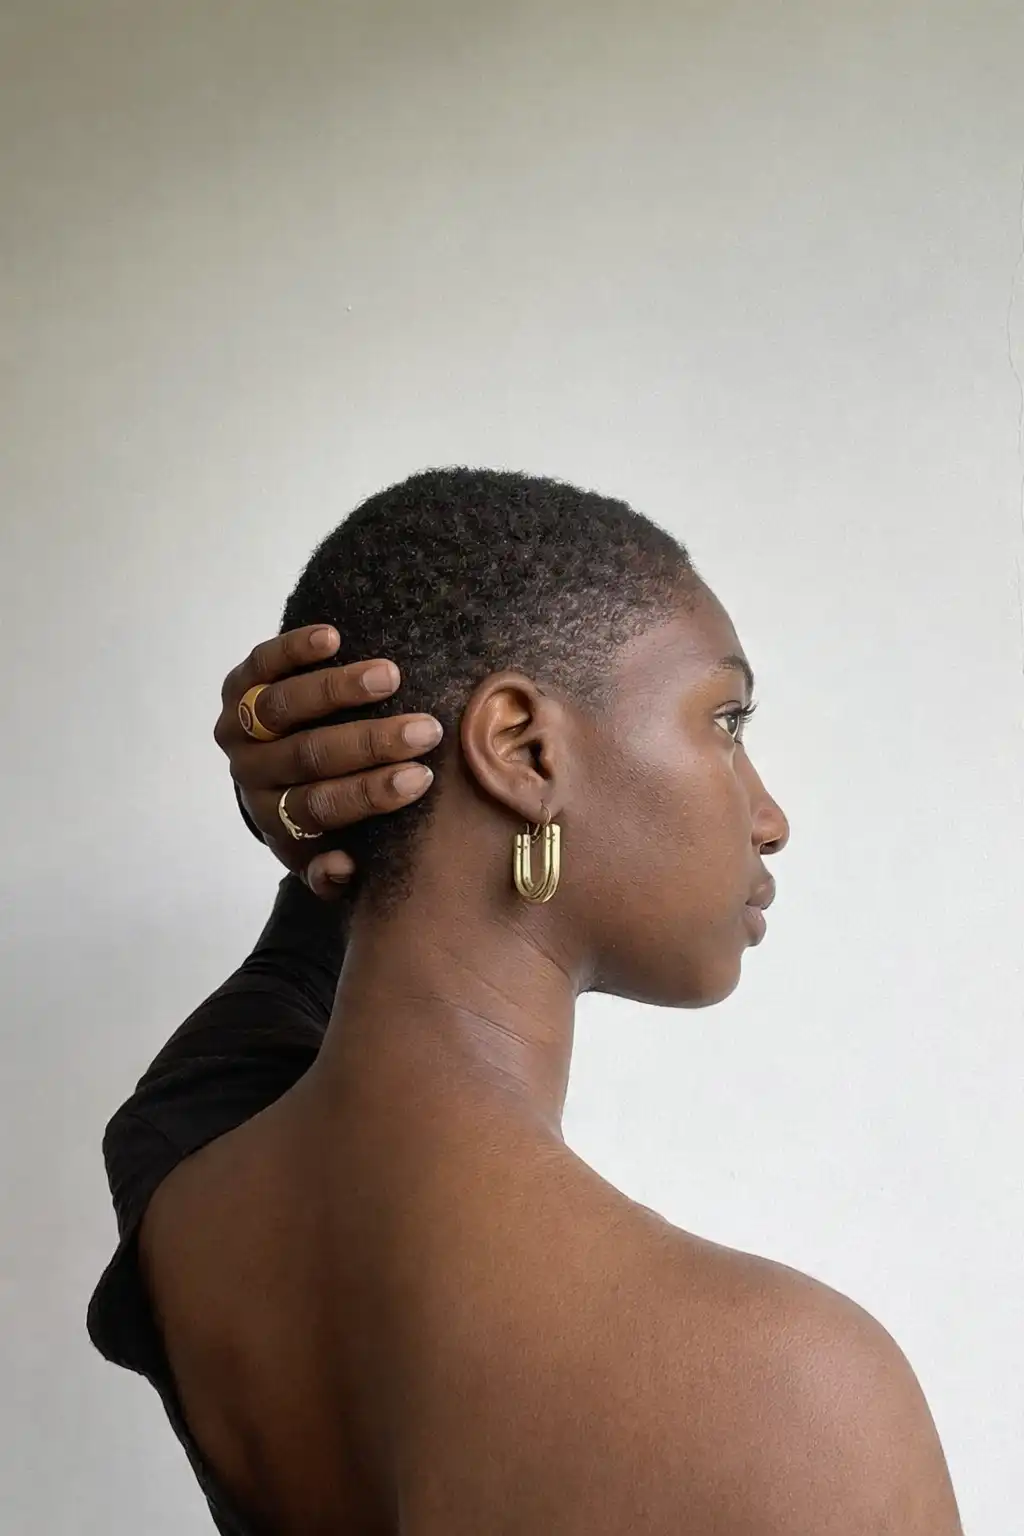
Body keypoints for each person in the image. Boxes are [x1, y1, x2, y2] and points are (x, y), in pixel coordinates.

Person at [87, 467, 962, 1536]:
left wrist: (332, 826)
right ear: (520, 746)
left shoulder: (182, 1186)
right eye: (726, 719)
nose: (769, 817)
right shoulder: (791, 1401)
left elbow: (261, 1016)